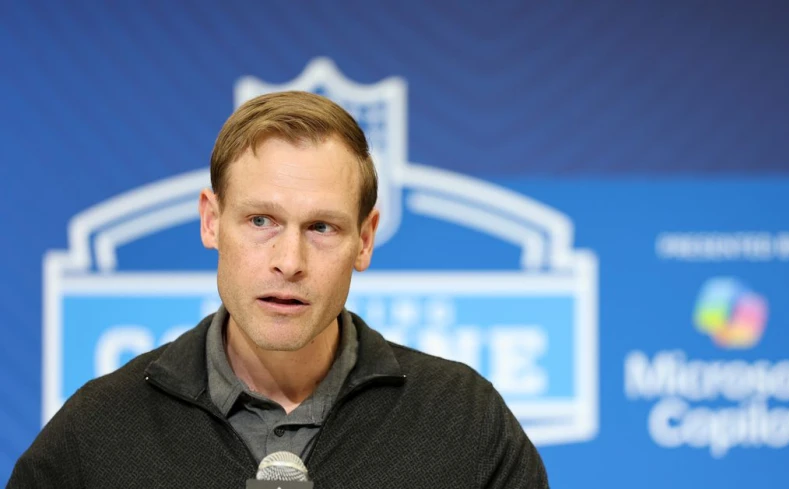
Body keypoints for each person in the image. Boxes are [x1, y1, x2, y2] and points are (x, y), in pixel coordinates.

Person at [8, 91, 549, 488]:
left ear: (364, 240)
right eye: (261, 221)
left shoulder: (462, 420)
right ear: (210, 221)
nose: (289, 262)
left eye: (321, 228)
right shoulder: (100, 430)